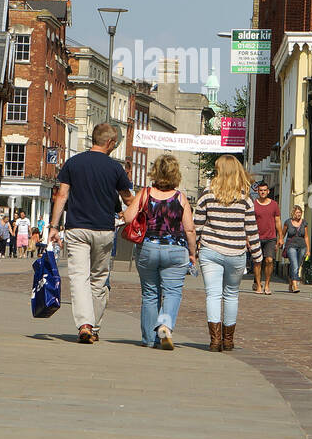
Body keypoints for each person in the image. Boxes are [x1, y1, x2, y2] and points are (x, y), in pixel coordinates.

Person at [47, 124, 135, 344]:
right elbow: (129, 199)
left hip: (77, 228)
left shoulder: (73, 163)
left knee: (79, 277)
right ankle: (93, 326)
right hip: (104, 230)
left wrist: (53, 227)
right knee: (98, 279)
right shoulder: (116, 169)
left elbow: (62, 196)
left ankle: (84, 324)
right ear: (110, 142)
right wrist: (127, 216)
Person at [121, 154, 198, 349]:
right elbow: (189, 229)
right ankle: (165, 325)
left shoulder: (145, 193)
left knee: (150, 293)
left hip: (148, 247)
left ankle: (148, 339)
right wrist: (192, 253)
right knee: (172, 292)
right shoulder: (180, 197)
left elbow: (129, 218)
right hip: (176, 249)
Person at [194, 155, 263, 352]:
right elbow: (252, 229)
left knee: (213, 295)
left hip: (210, 249)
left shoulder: (207, 194)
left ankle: (215, 341)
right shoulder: (245, 199)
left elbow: (197, 224)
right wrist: (257, 256)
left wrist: (192, 249)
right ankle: (228, 340)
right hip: (236, 251)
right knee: (231, 295)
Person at [251, 181, 282, 295]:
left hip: (270, 237)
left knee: (269, 260)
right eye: (261, 190)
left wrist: (280, 237)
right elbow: (249, 222)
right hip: (256, 237)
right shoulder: (254, 204)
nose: (263, 192)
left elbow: (277, 221)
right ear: (258, 192)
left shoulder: (274, 204)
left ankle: (267, 284)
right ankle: (258, 285)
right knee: (257, 262)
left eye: (265, 190)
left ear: (268, 191)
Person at [283, 205, 308, 294]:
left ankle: (290, 283)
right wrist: (280, 242)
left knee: (298, 265)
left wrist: (308, 249)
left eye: (300, 212)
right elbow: (283, 234)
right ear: (293, 213)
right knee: (294, 264)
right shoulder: (287, 222)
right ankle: (295, 284)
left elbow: (306, 237)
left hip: (302, 246)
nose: (299, 214)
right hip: (291, 246)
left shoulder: (304, 223)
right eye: (297, 212)